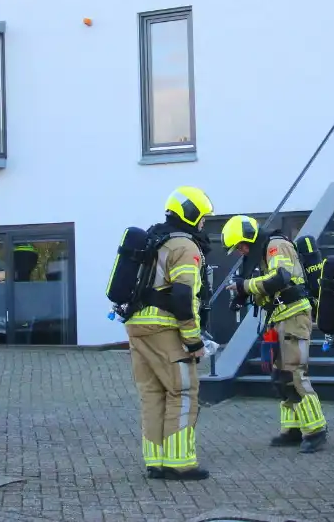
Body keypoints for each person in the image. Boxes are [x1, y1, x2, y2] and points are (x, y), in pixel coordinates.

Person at [125, 186, 214, 481]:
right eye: (202, 219)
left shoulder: (154, 241)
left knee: (152, 394)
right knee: (183, 391)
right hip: (165, 328)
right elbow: (183, 296)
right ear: (190, 215)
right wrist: (193, 340)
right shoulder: (184, 247)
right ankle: (179, 462)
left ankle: (156, 460)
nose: (203, 225)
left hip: (137, 325)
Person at [222, 214, 328, 453]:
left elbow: (281, 277)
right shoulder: (261, 252)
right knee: (281, 376)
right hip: (278, 317)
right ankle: (292, 428)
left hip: (293, 316)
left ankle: (316, 429)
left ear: (249, 237)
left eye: (241, 246)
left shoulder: (275, 245)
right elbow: (267, 286)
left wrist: (246, 286)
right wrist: (244, 295)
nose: (241, 251)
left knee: (295, 373)